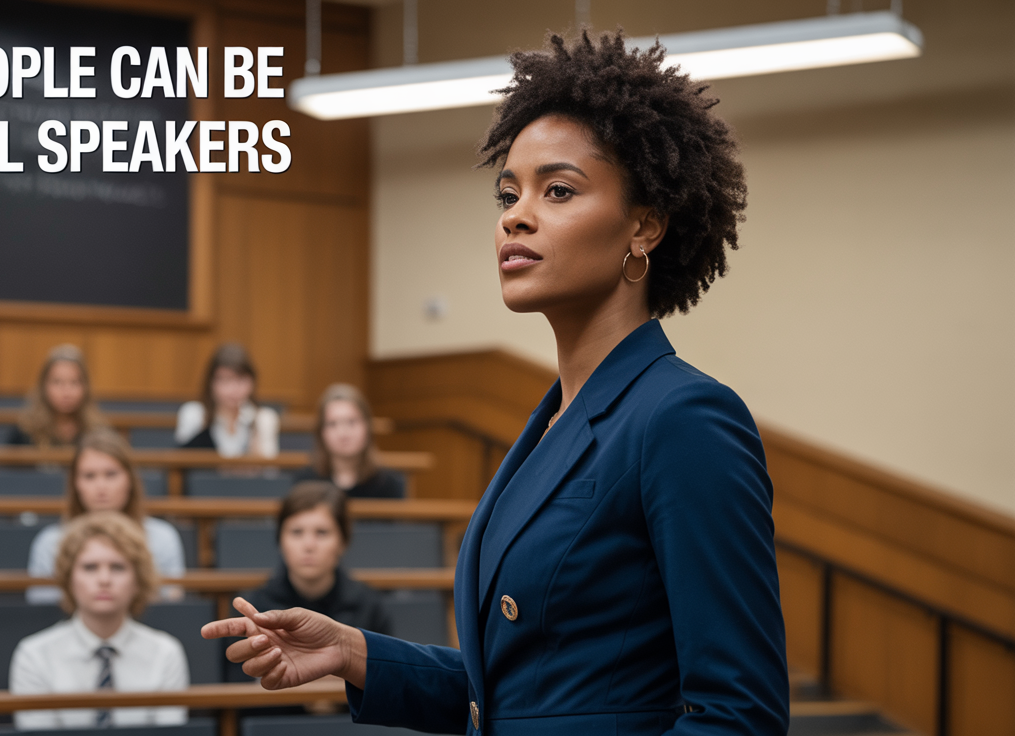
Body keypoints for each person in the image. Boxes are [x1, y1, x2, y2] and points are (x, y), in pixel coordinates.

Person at [203, 31, 789, 736]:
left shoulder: (684, 418)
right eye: (507, 193)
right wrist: (355, 653)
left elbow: (740, 718)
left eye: (559, 190)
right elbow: (521, 700)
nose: (515, 214)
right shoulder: (550, 424)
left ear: (645, 226)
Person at [10, 511, 189, 729]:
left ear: (138, 579)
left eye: (118, 567)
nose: (104, 580)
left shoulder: (166, 653)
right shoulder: (34, 655)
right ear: (69, 578)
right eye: (90, 567)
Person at [26, 429, 185, 604]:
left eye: (111, 474)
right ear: (75, 484)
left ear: (130, 480)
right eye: (89, 476)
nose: (101, 487)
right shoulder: (51, 543)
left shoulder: (162, 537)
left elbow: (171, 606)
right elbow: (43, 610)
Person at [245, 481, 392, 635]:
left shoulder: (370, 607)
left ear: (343, 541)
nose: (309, 545)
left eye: (322, 532)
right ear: (280, 540)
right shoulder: (254, 607)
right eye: (296, 532)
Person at [294, 384, 405, 499]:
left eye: (351, 422)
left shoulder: (390, 483)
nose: (343, 433)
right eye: (332, 424)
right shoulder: (305, 482)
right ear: (321, 431)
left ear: (367, 426)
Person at [174, 343, 279, 457]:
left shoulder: (264, 418)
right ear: (211, 383)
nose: (233, 389)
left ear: (252, 382)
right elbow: (181, 462)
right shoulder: (194, 414)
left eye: (241, 380)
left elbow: (272, 471)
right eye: (225, 380)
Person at [8, 344, 109, 447]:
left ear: (86, 387)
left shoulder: (99, 431)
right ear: (43, 386)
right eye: (57, 382)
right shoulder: (24, 431)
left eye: (74, 382)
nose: (66, 392)